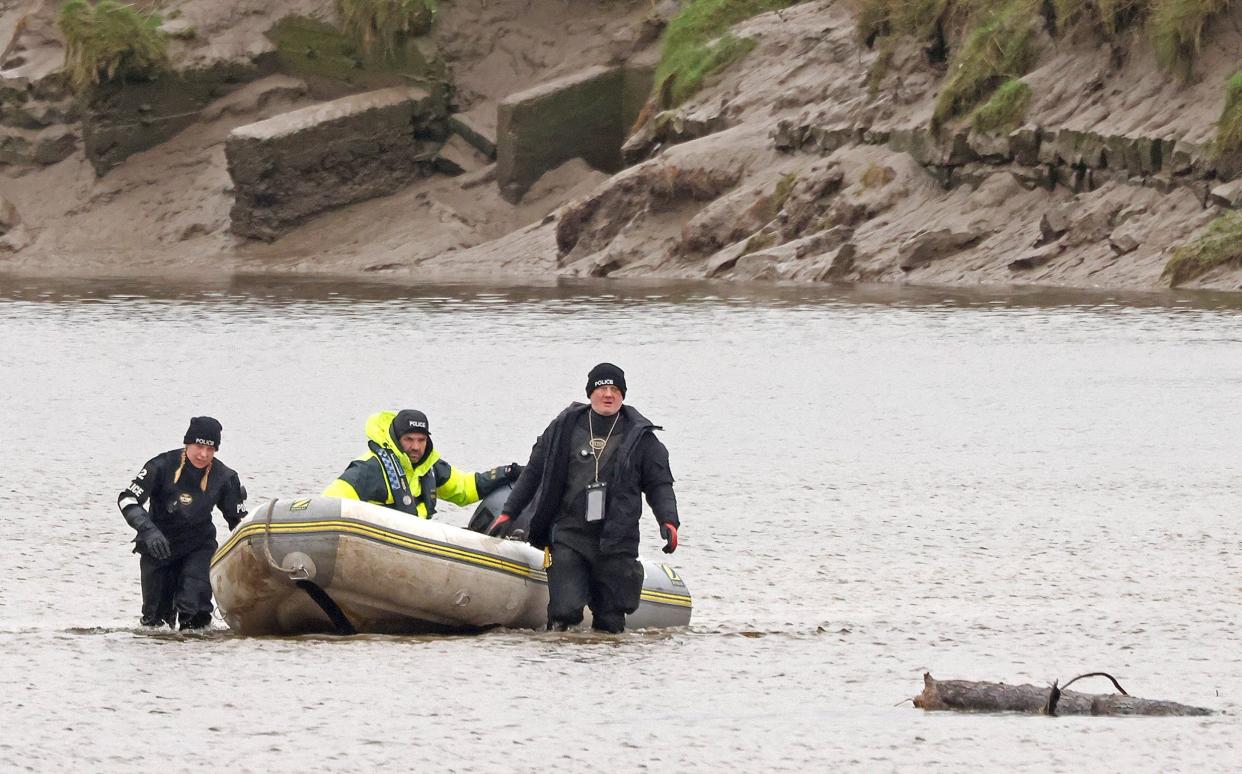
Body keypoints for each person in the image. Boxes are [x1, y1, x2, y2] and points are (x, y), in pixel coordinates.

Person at [486, 363, 680, 633]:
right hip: (569, 535)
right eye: (602, 388)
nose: (608, 394)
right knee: (563, 613)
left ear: (623, 395)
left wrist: (669, 522)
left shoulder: (642, 438)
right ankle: (564, 666)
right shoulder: (563, 427)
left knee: (611, 623)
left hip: (617, 540)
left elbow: (660, 486)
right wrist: (508, 512)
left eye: (614, 389)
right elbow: (533, 472)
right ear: (590, 393)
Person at [117, 416, 248, 630]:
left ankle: (198, 654)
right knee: (155, 623)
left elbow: (239, 524)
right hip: (158, 546)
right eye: (199, 446)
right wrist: (148, 531)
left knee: (194, 610)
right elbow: (127, 499)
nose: (203, 454)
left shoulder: (225, 477)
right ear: (187, 443)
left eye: (210, 449)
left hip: (199, 547)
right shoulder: (160, 466)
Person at [323, 409, 522, 518]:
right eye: (409, 439)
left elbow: (465, 489)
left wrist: (508, 472)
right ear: (396, 438)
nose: (416, 447)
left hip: (417, 550)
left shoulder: (431, 467)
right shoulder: (370, 469)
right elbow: (328, 505)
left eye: (421, 440)